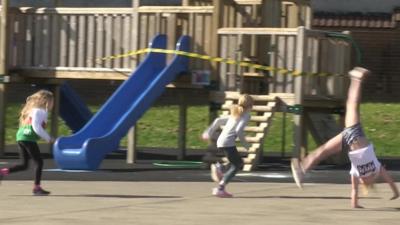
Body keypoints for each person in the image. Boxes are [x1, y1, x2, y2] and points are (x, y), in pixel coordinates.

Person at [291, 67, 399, 208]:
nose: (360, 181)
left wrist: (355, 204)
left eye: (360, 181)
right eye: (363, 182)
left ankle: (302, 168)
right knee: (352, 105)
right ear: (369, 180)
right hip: (355, 133)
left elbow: (354, 191)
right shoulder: (375, 169)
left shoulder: (357, 171)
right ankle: (356, 78)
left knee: (324, 151)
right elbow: (388, 179)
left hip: (349, 137)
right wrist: (396, 192)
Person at [0, 90, 54, 196]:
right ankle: (36, 188)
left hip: (21, 137)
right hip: (28, 138)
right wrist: (49, 138)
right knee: (39, 162)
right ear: (45, 101)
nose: (53, 104)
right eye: (52, 101)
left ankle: (2, 172)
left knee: (24, 165)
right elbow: (36, 127)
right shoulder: (39, 111)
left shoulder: (35, 110)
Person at [202, 94, 253, 198]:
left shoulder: (235, 112)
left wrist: (209, 132)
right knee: (237, 164)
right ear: (251, 105)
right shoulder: (246, 115)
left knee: (234, 161)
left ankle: (220, 167)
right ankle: (220, 188)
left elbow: (218, 121)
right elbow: (239, 130)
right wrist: (245, 144)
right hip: (228, 142)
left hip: (221, 141)